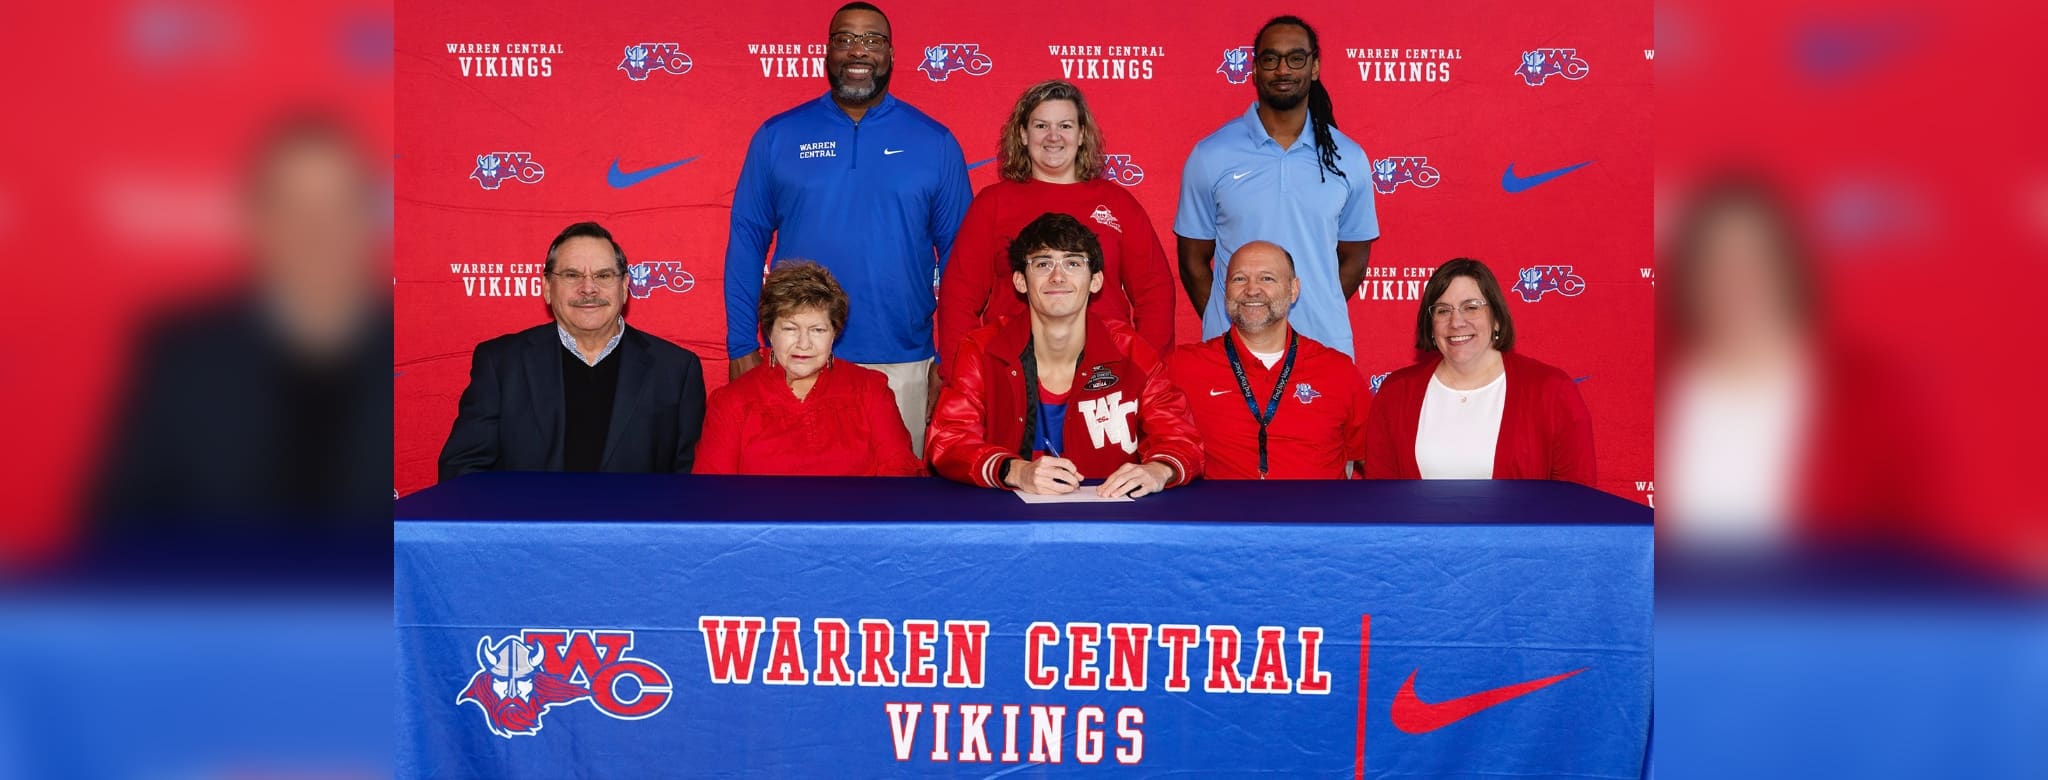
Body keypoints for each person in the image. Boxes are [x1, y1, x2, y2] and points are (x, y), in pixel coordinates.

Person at [724, 1, 973, 457]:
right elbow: (746, 243)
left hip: (903, 361)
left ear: (892, 55)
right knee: (792, 507)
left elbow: (963, 260)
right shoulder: (778, 136)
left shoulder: (935, 142)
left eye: (873, 40)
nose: (859, 51)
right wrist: (742, 343)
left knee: (897, 513)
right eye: (845, 39)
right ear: (827, 51)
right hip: (797, 358)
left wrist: (951, 359)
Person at [927, 213, 1202, 496]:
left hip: (1108, 522)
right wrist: (1015, 470)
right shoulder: (981, 350)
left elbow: (1181, 439)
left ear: (1096, 281)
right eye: (1043, 264)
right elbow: (948, 441)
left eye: (1073, 263)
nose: (1057, 277)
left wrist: (1158, 470)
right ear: (1020, 281)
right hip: (1009, 523)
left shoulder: (1132, 352)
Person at [936, 80, 1175, 373]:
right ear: (1023, 134)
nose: (1053, 137)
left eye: (1065, 126)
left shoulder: (1118, 203)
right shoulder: (993, 204)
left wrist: (1143, 369)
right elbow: (959, 295)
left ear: (1082, 134)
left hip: (1104, 370)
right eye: (1040, 126)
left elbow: (1155, 291)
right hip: (1014, 371)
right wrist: (965, 373)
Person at [1175, 15, 1378, 358]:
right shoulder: (1210, 154)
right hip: (1233, 350)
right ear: (1254, 70)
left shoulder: (1349, 157)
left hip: (1323, 345)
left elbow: (1355, 259)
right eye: (1271, 59)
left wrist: (1310, 306)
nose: (1283, 70)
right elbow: (1193, 262)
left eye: (1296, 58)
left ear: (1314, 67)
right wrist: (1244, 318)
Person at [439, 222, 707, 478]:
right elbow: (462, 470)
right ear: (547, 288)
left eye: (603, 275)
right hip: (530, 524)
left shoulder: (676, 370)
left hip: (633, 525)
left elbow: (690, 481)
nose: (588, 288)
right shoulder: (501, 364)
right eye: (571, 275)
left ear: (625, 287)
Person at [1365, 259, 1594, 484]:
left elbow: (1577, 503)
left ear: (1496, 319)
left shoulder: (1551, 391)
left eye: (1471, 307)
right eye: (1443, 311)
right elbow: (1382, 501)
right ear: (1430, 325)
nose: (1456, 322)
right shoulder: (1395, 394)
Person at [696, 262, 922, 476]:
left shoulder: (871, 390)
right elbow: (714, 494)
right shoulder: (731, 402)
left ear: (835, 333)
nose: (804, 344)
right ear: (769, 332)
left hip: (854, 515)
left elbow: (899, 474)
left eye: (817, 330)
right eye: (790, 328)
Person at [1170, 241, 1368, 479]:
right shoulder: (1183, 367)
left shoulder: (1338, 372)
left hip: (1314, 514)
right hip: (1221, 514)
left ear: (1293, 289)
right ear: (1225, 290)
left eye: (1267, 278)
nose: (1252, 290)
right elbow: (1157, 452)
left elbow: (1375, 461)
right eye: (1239, 279)